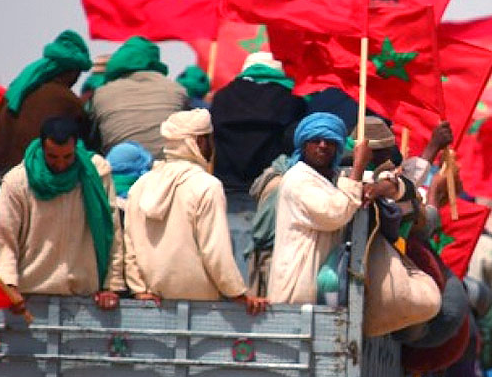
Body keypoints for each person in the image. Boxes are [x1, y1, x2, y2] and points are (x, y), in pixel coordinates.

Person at [122, 109, 267, 313]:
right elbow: (215, 250)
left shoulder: (141, 185)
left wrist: (139, 290)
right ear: (200, 142)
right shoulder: (207, 186)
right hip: (202, 307)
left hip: (150, 302)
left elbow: (129, 243)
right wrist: (238, 293)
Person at [0, 116, 123, 308]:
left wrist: (112, 285)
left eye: (67, 157)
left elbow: (112, 229)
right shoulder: (18, 181)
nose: (60, 164)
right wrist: (8, 284)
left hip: (84, 296)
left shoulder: (96, 174)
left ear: (76, 147)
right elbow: (3, 236)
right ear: (43, 148)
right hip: (31, 294)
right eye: (53, 157)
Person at [210, 53, 307, 276]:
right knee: (267, 250)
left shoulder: (222, 97)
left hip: (228, 186)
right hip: (270, 190)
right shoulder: (290, 98)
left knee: (229, 247)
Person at [267, 113, 370, 305]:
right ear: (304, 144)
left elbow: (374, 184)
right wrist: (358, 166)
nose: (323, 145)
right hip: (296, 293)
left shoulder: (334, 178)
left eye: (330, 141)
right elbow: (335, 213)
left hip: (324, 292)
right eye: (316, 140)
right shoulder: (298, 180)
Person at [0, 30, 93, 176]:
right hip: (29, 181)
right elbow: (86, 147)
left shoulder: (18, 89)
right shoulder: (69, 102)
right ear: (72, 72)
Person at [90, 36, 188, 156]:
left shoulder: (101, 94)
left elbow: (91, 141)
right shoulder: (176, 90)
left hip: (120, 168)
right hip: (168, 167)